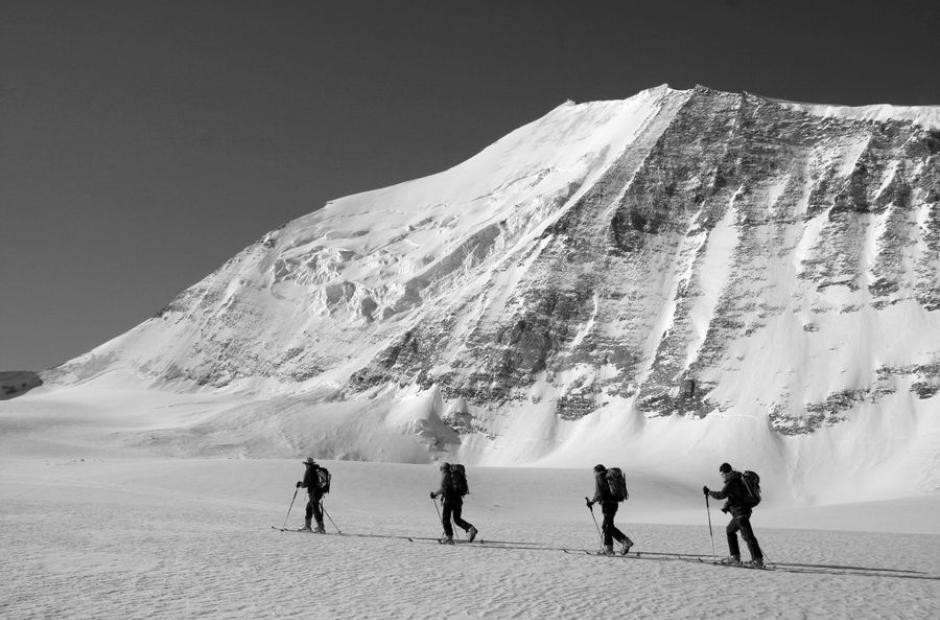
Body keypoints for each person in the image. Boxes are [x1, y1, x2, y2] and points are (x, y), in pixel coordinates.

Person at [704, 462, 764, 567]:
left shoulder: (732, 481)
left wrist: (709, 492)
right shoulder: (737, 479)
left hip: (741, 513)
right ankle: (735, 557)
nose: (722, 476)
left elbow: (721, 495)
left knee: (748, 536)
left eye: (722, 474)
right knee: (730, 530)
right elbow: (736, 496)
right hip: (741, 512)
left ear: (726, 472)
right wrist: (728, 506)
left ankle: (757, 560)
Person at [586, 464, 633, 555]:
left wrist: (592, 502)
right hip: (614, 504)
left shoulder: (600, 476)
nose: (594, 474)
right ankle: (616, 545)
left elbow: (599, 493)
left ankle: (613, 547)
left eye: (594, 472)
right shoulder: (609, 477)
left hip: (607, 504)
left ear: (596, 471)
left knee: (607, 526)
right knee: (607, 526)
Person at [429, 462, 478, 544]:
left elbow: (443, 488)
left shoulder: (446, 475)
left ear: (444, 469)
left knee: (446, 519)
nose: (441, 471)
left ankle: (449, 537)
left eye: (441, 469)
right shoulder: (455, 476)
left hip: (449, 500)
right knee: (457, 519)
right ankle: (470, 528)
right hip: (458, 500)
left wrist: (434, 494)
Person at [296, 457, 326, 533]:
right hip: (318, 492)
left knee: (315, 509)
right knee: (309, 508)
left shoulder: (309, 471)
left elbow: (306, 483)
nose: (305, 466)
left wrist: (300, 484)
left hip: (313, 492)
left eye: (306, 464)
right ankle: (307, 526)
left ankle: (321, 528)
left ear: (308, 464)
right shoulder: (316, 470)